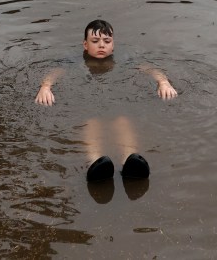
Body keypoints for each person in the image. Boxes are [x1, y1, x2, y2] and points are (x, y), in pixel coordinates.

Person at [34, 19, 178, 182]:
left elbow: (148, 68)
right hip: (87, 100)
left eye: (107, 41)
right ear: (85, 45)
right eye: (95, 41)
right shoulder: (74, 59)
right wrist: (45, 86)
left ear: (113, 45)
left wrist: (163, 82)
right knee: (92, 122)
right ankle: (95, 163)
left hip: (116, 100)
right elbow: (56, 71)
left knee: (122, 121)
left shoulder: (124, 57)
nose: (101, 45)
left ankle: (129, 162)